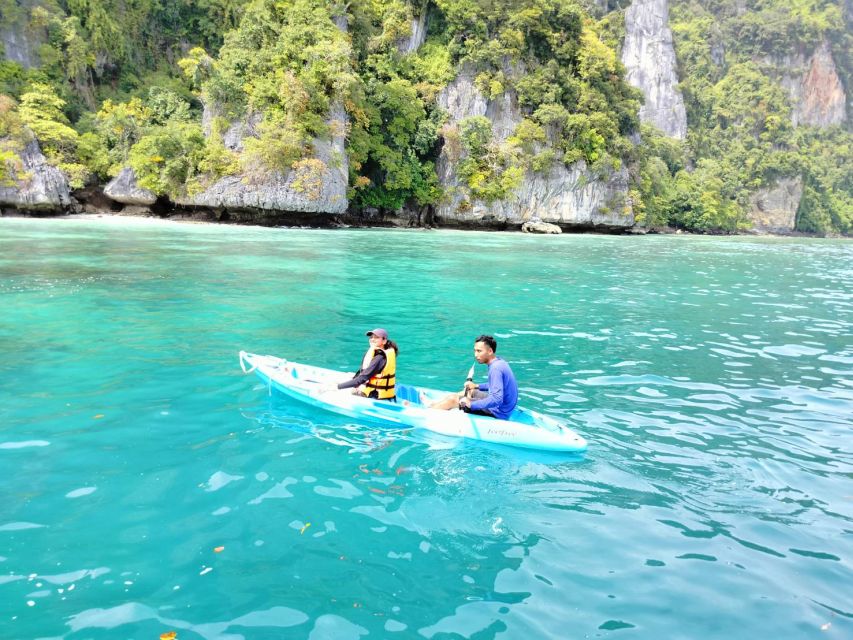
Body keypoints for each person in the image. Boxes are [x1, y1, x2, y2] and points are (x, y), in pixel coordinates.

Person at [429, 335, 518, 419]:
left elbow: (496, 399)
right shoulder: (499, 362)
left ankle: (428, 411)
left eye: (479, 351)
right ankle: (436, 405)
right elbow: (495, 385)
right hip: (505, 406)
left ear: (490, 351)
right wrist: (476, 386)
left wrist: (471, 405)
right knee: (470, 391)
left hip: (498, 411)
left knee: (453, 399)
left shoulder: (495, 368)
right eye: (475, 350)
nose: (476, 355)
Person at [335, 328, 398, 401]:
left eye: (376, 337)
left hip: (374, 395)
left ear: (384, 341)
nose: (372, 339)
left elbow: (362, 379)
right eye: (371, 337)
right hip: (380, 392)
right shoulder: (384, 352)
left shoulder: (379, 358)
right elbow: (366, 373)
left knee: (336, 390)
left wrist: (337, 387)